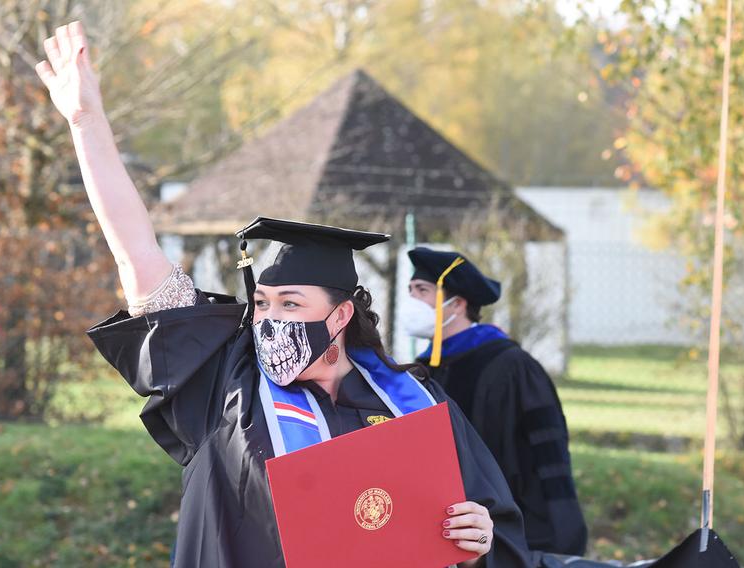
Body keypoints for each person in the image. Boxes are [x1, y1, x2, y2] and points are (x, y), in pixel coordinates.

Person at [35, 21, 536, 568]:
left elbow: (484, 528)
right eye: (264, 304)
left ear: (341, 314)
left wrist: (476, 540)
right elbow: (138, 257)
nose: (271, 320)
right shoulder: (226, 382)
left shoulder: (416, 402)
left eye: (292, 304)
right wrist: (86, 122)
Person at [406, 247, 589, 556]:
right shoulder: (421, 370)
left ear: (458, 303)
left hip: (515, 526)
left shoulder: (512, 366)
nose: (412, 301)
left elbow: (547, 453)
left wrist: (555, 530)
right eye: (410, 291)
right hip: (445, 527)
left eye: (422, 290)